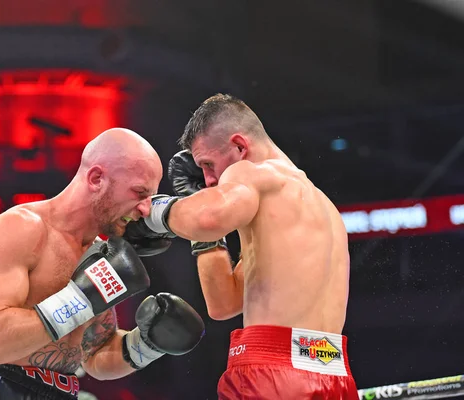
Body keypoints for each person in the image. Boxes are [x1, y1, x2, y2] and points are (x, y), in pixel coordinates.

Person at [123, 95, 359, 399]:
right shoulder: (323, 210)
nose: (208, 180)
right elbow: (224, 304)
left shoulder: (251, 172)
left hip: (272, 373)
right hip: (333, 372)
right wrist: (202, 233)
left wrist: (155, 214)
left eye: (208, 164)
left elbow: (208, 216)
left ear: (239, 147)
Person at [0, 128, 205, 400]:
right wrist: (81, 299)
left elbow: (94, 356)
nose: (145, 208)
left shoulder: (99, 253)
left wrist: (145, 345)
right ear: (97, 178)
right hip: (0, 390)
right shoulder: (20, 229)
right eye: (139, 192)